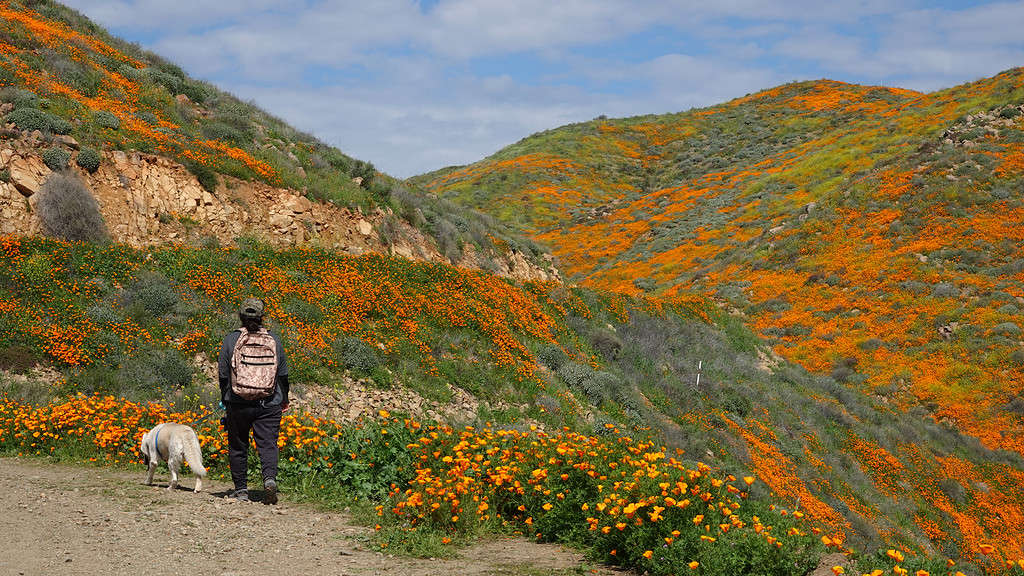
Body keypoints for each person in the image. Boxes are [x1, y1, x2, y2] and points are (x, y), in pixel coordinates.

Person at [218, 297, 289, 504]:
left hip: (238, 402)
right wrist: (284, 399)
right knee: (267, 444)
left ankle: (241, 490)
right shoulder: (273, 340)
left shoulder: (231, 340)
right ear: (262, 317)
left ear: (240, 317)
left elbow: (223, 374)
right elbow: (282, 374)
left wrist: (226, 397)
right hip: (269, 402)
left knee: (238, 445)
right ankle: (268, 479)